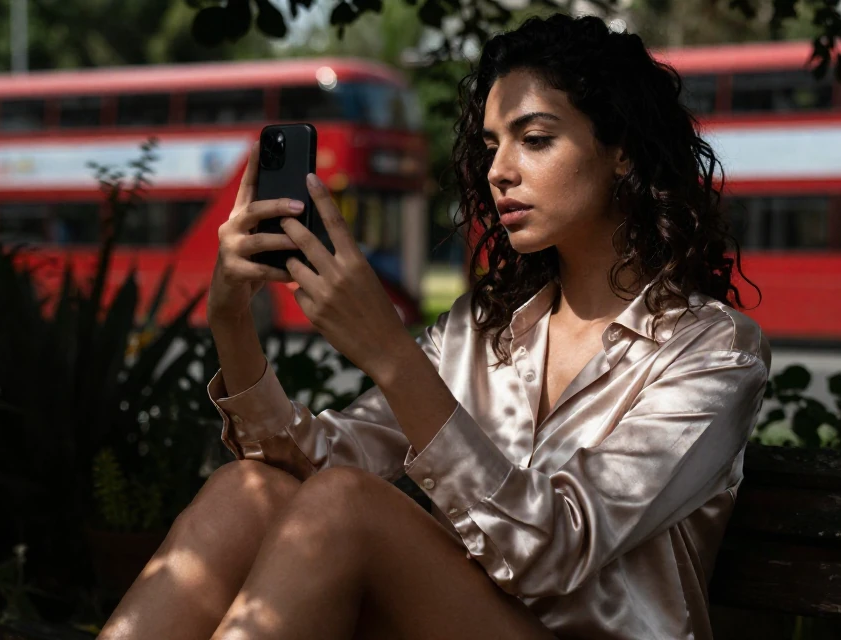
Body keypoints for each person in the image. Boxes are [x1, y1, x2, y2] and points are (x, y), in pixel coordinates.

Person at [99, 13, 769, 640]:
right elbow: (309, 463)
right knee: (248, 490)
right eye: (491, 145)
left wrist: (391, 354)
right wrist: (231, 320)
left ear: (621, 151)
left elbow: (554, 552)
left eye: (535, 139)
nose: (499, 170)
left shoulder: (713, 350)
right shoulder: (480, 331)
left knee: (346, 506)